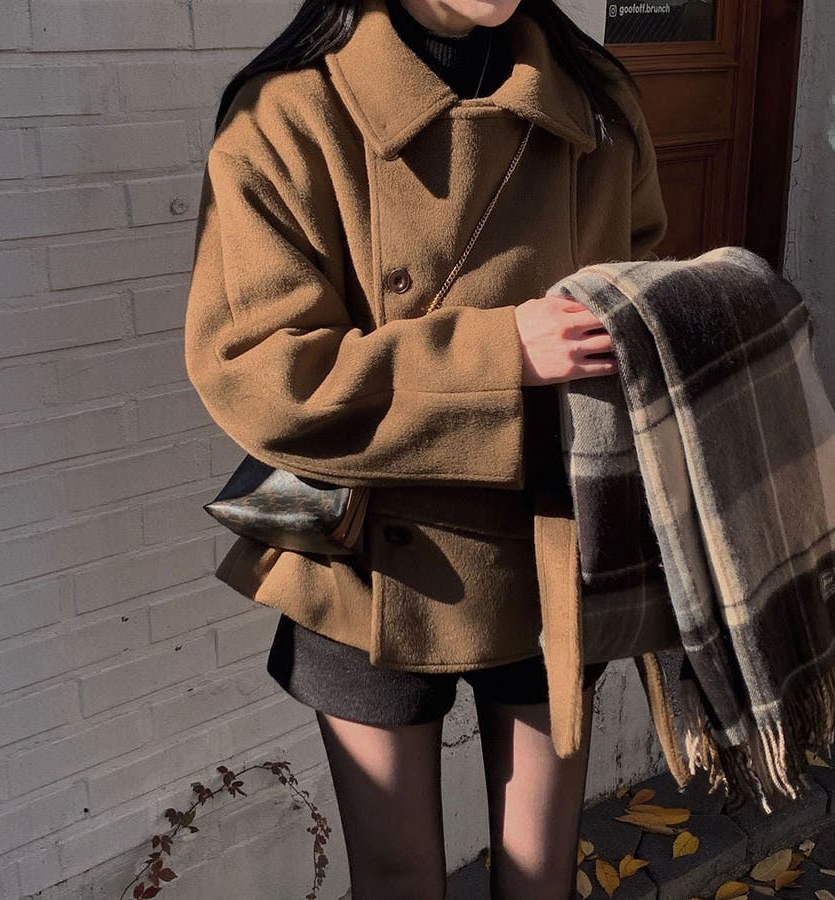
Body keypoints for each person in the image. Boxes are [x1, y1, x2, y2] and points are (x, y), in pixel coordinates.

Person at [183, 0, 668, 897]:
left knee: (542, 874)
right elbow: (261, 376)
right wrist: (499, 353)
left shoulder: (595, 99)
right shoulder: (288, 115)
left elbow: (636, 286)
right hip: (367, 561)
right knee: (399, 877)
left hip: (552, 541)